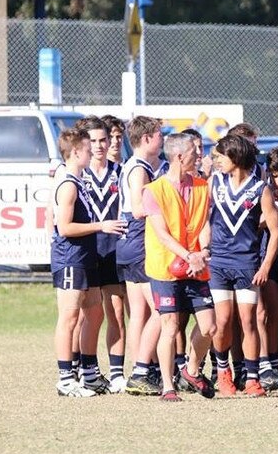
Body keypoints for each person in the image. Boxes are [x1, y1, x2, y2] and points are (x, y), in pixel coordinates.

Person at [51, 123, 126, 397]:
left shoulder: (79, 180)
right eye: (86, 148)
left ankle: (90, 372)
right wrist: (100, 226)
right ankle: (65, 378)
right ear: (74, 152)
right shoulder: (68, 184)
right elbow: (65, 227)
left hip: (86, 256)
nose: (92, 151)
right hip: (70, 257)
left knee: (94, 311)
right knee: (69, 316)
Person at [142, 133, 216, 402]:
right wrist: (188, 255)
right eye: (195, 153)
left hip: (197, 266)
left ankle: (191, 369)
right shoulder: (153, 191)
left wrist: (203, 252)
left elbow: (204, 224)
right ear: (179, 157)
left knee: (209, 327)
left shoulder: (201, 186)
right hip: (166, 267)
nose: (200, 156)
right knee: (170, 326)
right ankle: (167, 386)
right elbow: (161, 234)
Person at [208, 134, 278, 397]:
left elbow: (275, 231)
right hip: (218, 262)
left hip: (247, 263)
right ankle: (223, 372)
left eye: (221, 156)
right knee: (223, 320)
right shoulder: (214, 182)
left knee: (248, 321)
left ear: (236, 157)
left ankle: (252, 378)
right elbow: (203, 219)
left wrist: (265, 266)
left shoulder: (260, 189)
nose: (217, 160)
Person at [117, 116, 166, 396]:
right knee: (161, 309)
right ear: (147, 138)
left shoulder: (136, 166)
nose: (162, 139)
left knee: (139, 313)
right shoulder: (138, 169)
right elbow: (137, 208)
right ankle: (141, 370)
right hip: (138, 242)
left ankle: (140, 370)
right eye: (159, 135)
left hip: (128, 244)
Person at [81, 116, 128, 393]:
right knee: (83, 315)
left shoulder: (121, 172)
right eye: (94, 141)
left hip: (113, 250)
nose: (99, 146)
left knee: (116, 313)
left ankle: (118, 373)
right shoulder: (75, 173)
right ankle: (81, 369)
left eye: (103, 140)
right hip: (85, 252)